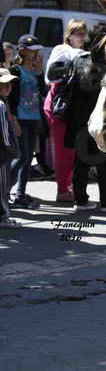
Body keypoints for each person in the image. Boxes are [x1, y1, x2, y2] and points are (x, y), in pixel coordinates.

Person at [66, 23, 106, 212]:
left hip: (81, 120)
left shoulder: (79, 60)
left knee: (81, 162)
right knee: (103, 162)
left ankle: (80, 200)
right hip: (101, 119)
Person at [44, 19, 87, 202]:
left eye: (84, 33)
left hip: (71, 108)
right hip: (58, 108)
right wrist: (75, 64)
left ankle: (68, 187)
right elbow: (51, 75)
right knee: (64, 150)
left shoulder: (82, 52)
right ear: (69, 35)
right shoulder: (63, 50)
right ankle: (62, 190)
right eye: (79, 33)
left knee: (72, 150)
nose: (83, 37)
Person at [8, 34, 47, 209]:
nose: (35, 54)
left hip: (34, 119)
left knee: (29, 157)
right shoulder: (15, 70)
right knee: (22, 156)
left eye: (36, 51)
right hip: (20, 118)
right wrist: (13, 119)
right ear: (22, 51)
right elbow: (9, 97)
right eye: (32, 51)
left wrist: (39, 72)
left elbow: (43, 93)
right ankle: (4, 188)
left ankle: (20, 195)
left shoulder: (36, 69)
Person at [0, 68, 20, 228]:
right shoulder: (1, 105)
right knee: (3, 186)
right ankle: (3, 217)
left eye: (9, 84)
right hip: (2, 153)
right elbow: (4, 132)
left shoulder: (4, 102)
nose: (7, 88)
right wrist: (9, 147)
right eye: (3, 84)